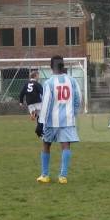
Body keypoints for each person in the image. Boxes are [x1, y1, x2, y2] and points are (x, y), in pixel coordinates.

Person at [37, 55, 81, 184]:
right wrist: (74, 113)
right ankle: (63, 176)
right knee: (66, 146)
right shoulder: (72, 81)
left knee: (46, 144)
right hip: (67, 119)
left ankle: (45, 175)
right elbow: (78, 99)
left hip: (51, 120)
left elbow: (46, 103)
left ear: (51, 66)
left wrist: (41, 122)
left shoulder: (49, 82)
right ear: (63, 66)